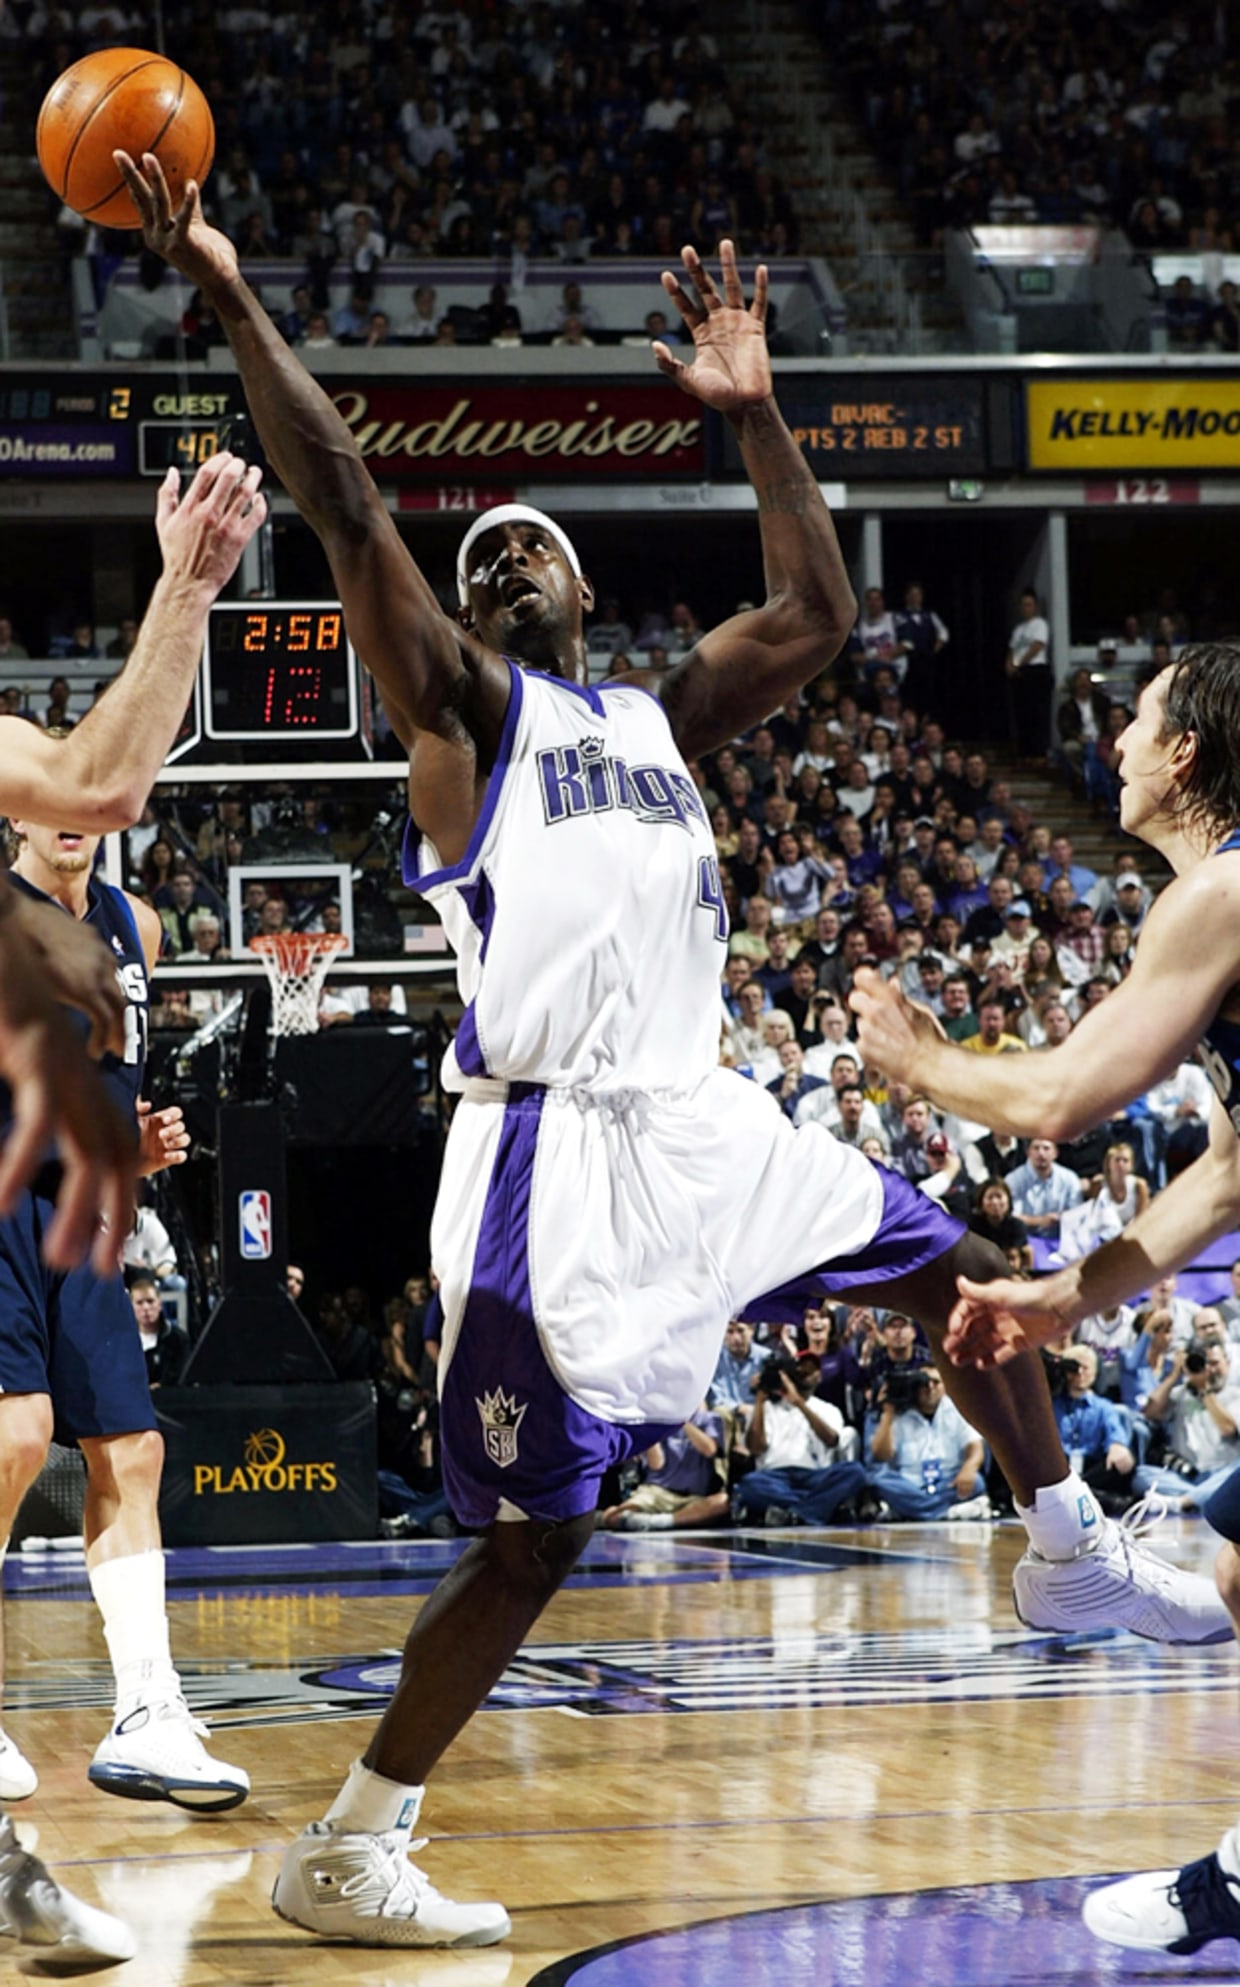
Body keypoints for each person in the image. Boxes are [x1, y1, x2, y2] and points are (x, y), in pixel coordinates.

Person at [119, 152, 1221, 1948]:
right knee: (533, 1543)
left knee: (987, 1274)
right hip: (550, 1167)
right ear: (468, 615)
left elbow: (818, 617)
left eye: (540, 544)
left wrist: (762, 412)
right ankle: (354, 1838)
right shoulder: (469, 722)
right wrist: (234, 291)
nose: (520, 559)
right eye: (491, 557)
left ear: (584, 583)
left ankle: (1065, 1533)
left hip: (704, 1122)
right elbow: (335, 489)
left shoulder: (654, 713)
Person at [852, 643, 1240, 1955]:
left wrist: (919, 1060)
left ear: (1185, 752)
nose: (1115, 740)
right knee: (1238, 1570)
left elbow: (1063, 1098)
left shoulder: (1220, 893)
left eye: (1136, 721)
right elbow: (1228, 1177)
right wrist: (1060, 1299)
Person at [0, 796, 248, 1811]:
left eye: (91, 796)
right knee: (18, 1436)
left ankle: (148, 1711)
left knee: (131, 1450)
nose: (73, 814)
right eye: (51, 795)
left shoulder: (133, 922)